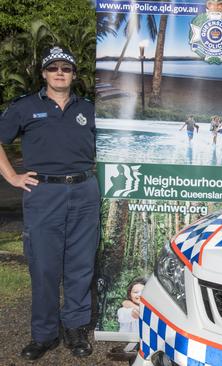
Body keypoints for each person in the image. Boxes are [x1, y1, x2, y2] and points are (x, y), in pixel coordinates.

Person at [0, 46, 99, 360]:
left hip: (85, 191)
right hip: (43, 194)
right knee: (43, 267)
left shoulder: (89, 108)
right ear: (43, 73)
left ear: (73, 75)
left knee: (81, 266)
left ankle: (75, 329)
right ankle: (43, 335)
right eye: (54, 68)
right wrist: (12, 177)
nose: (60, 73)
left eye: (66, 69)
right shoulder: (25, 107)